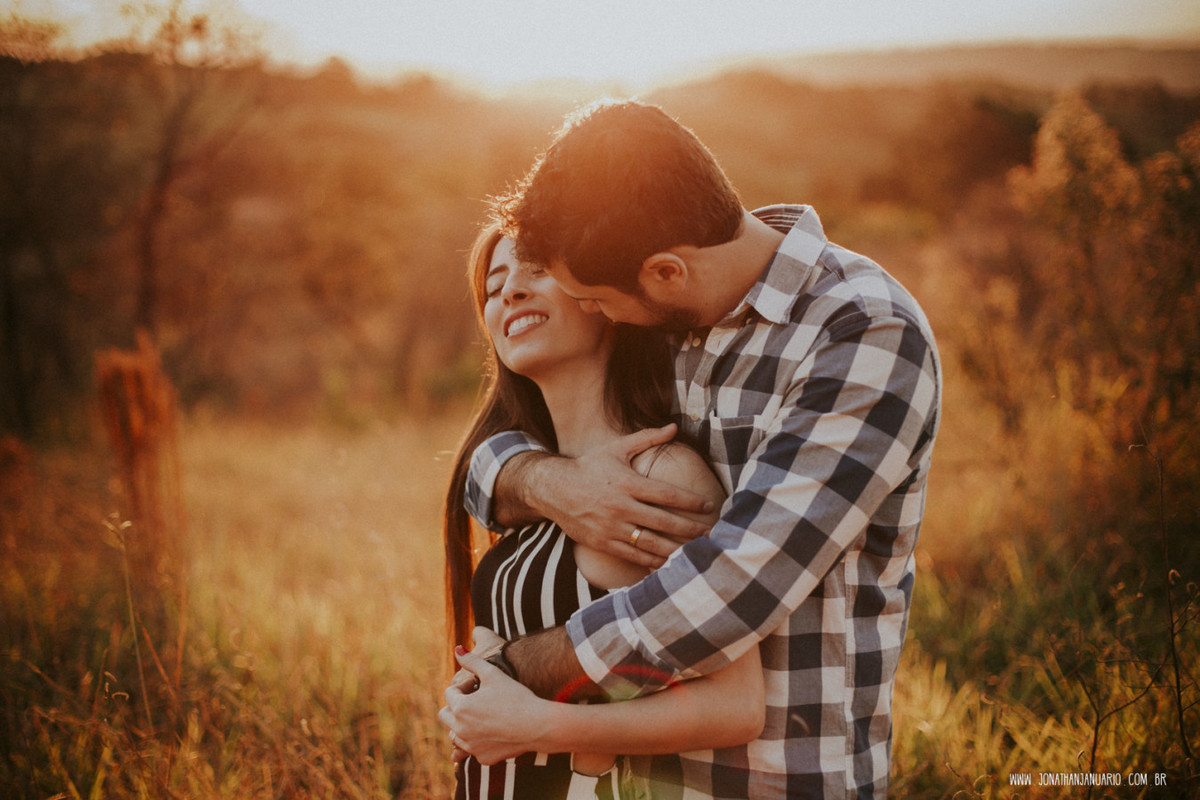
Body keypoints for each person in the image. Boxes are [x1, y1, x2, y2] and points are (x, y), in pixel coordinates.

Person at [447, 100, 942, 799]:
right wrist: (550, 482)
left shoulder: (862, 333)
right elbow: (507, 441)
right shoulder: (674, 317)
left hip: (780, 778)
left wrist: (516, 673)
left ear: (666, 274)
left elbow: (732, 589)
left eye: (594, 299)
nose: (594, 311)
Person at [440, 225, 765, 799]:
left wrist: (548, 728)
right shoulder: (528, 483)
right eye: (494, 286)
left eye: (537, 269)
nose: (511, 292)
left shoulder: (659, 477)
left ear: (598, 295)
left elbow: (735, 705)